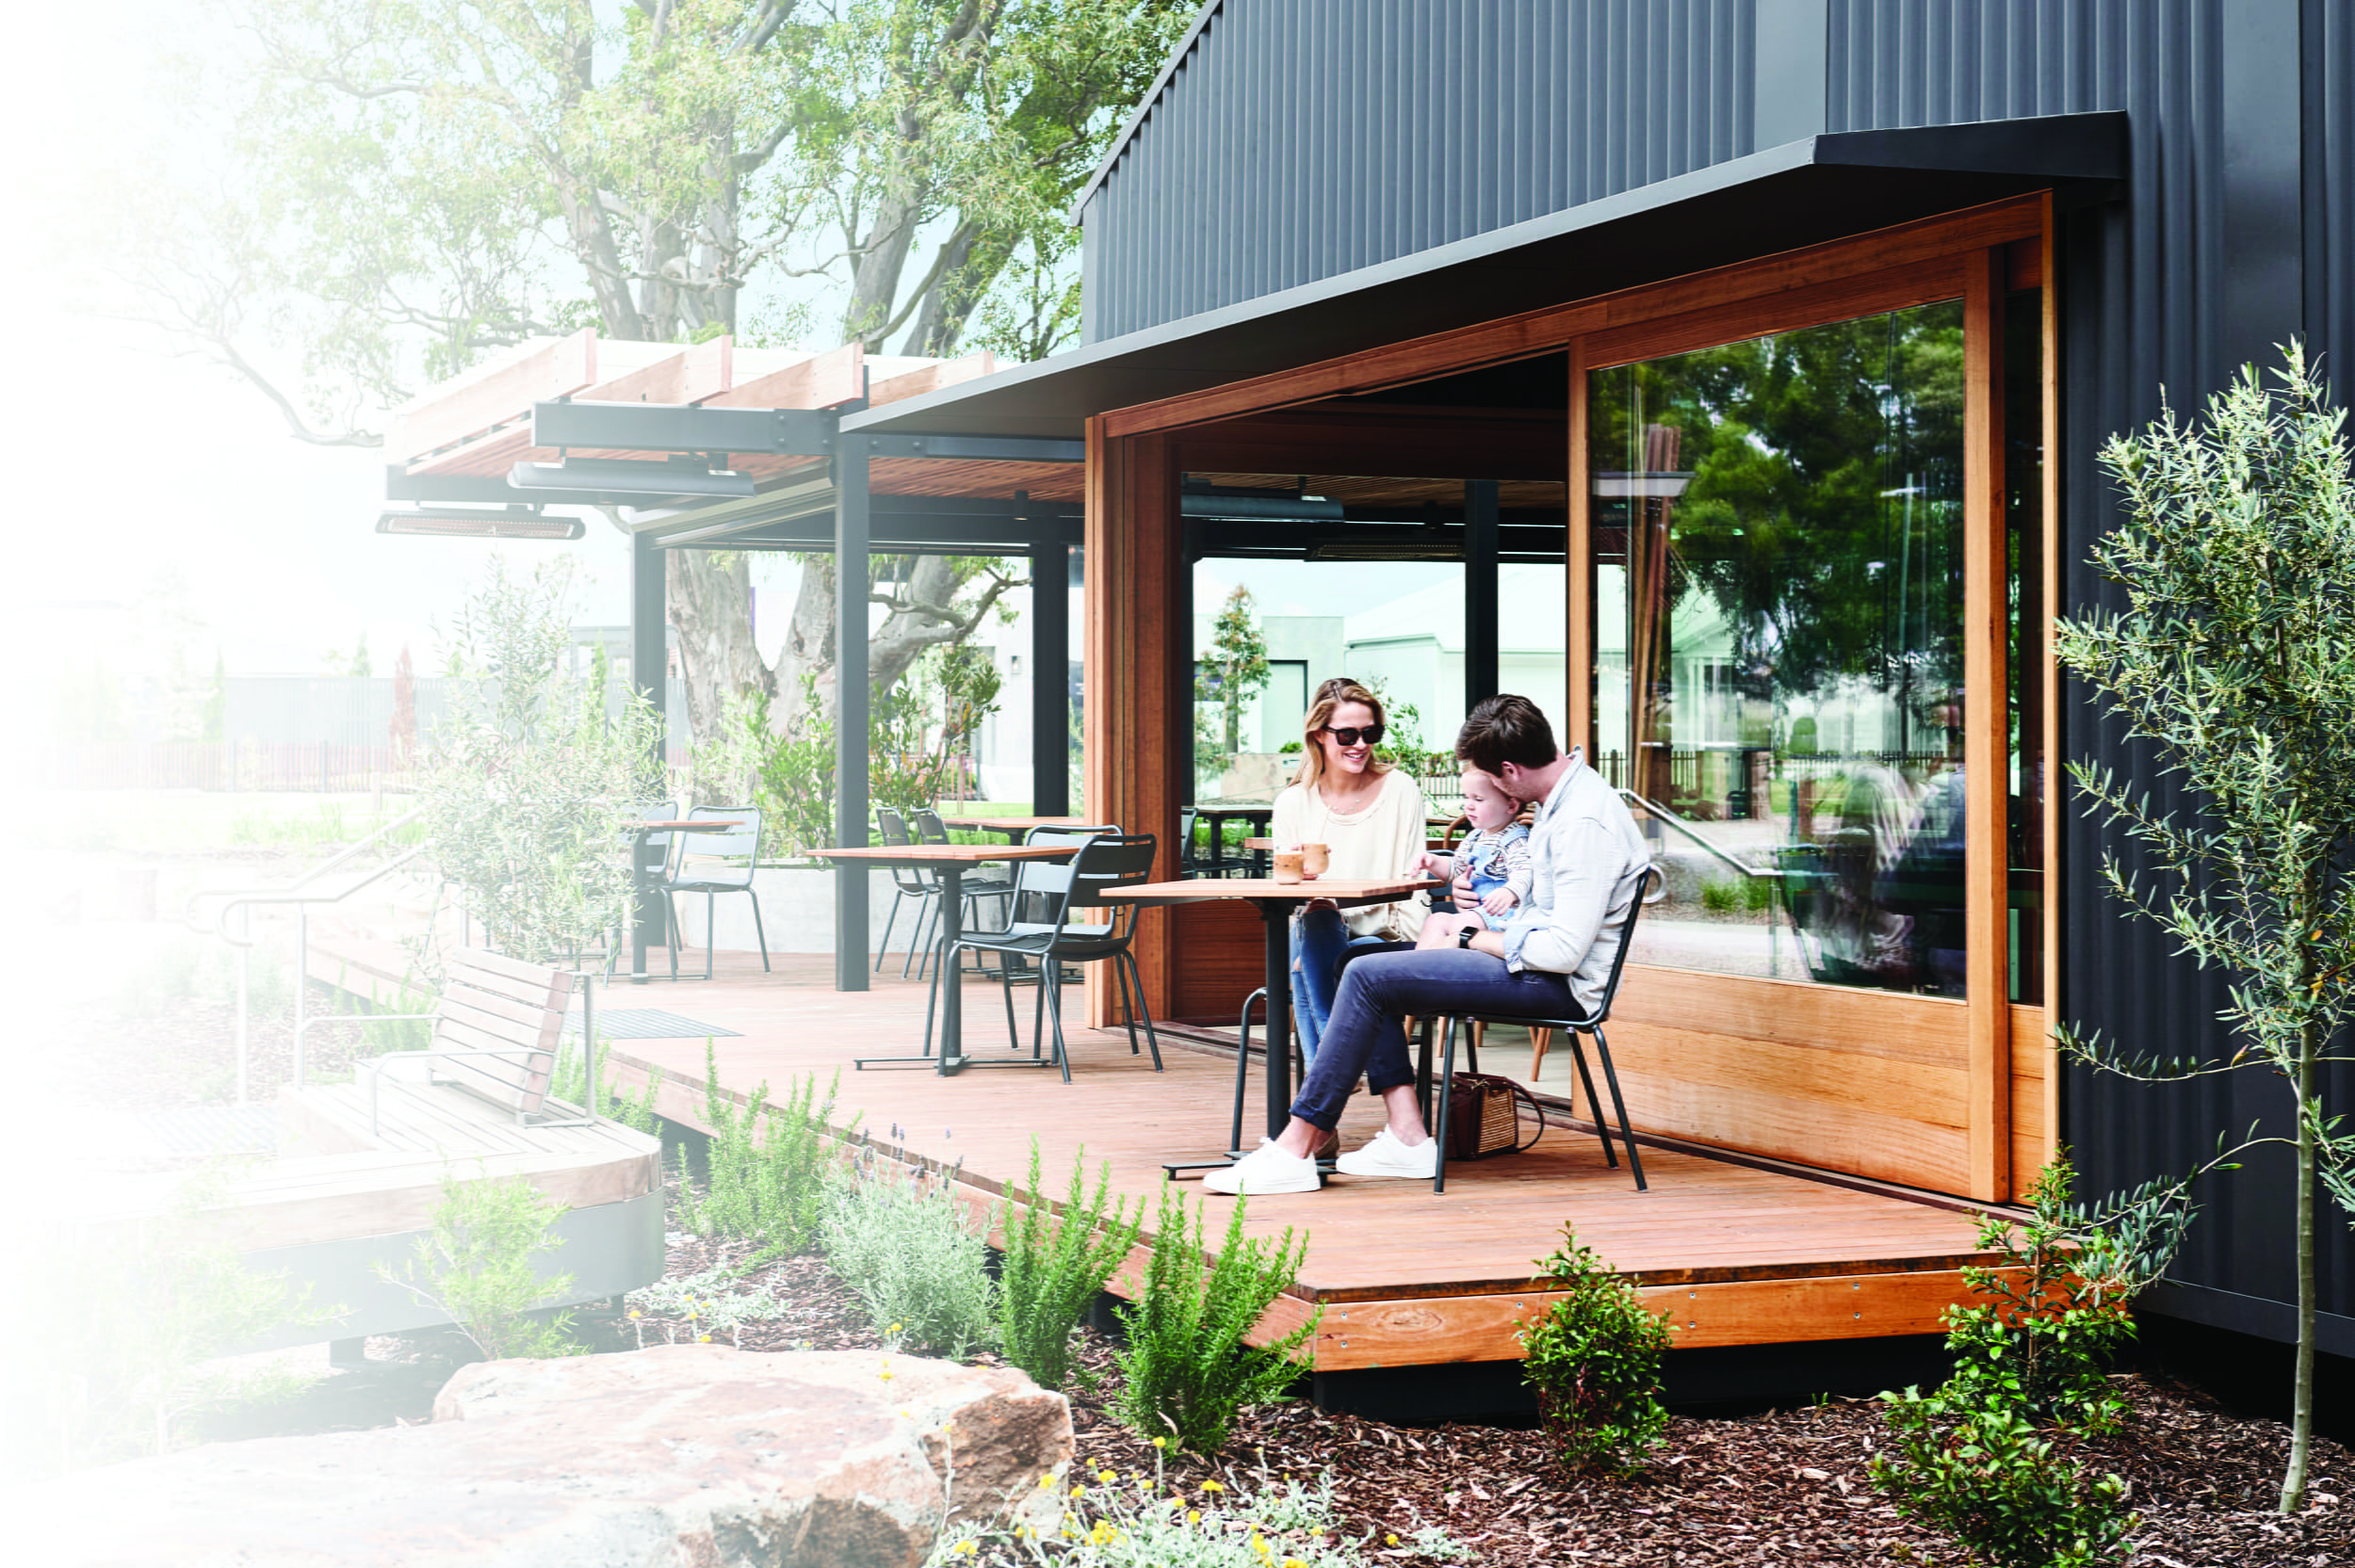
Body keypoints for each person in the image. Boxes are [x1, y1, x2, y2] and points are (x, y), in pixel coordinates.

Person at [1206, 694, 1650, 1196]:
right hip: (1528, 965)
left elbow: (1563, 952)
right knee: (1361, 961)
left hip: (1556, 985)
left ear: (1507, 771)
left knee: (1370, 976)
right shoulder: (1564, 801)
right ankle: (1407, 1136)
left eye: (1490, 783)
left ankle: (1298, 1144)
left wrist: (1467, 933)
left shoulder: (1583, 821)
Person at [1271, 678, 1432, 1068]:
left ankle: (1325, 1077)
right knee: (1317, 924)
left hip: (1385, 936)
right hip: (1320, 933)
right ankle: (1336, 1063)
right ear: (1319, 735)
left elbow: (1415, 882)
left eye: (1370, 732)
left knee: (1314, 968)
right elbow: (1287, 893)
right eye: (1347, 734)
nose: (1360, 744)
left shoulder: (1400, 790)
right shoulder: (1293, 802)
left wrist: (1414, 943)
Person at [1413, 768, 1532, 949]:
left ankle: (1421, 970)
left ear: (1511, 806)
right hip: (1480, 912)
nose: (1468, 805)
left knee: (1446, 924)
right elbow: (1457, 869)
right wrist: (1433, 862)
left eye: (1478, 799)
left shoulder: (1514, 839)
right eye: (1466, 797)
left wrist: (1510, 891)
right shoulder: (1475, 837)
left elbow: (1525, 871)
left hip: (1502, 915)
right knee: (1436, 920)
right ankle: (1420, 967)